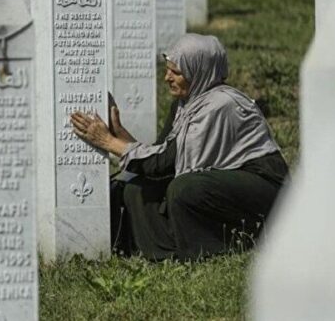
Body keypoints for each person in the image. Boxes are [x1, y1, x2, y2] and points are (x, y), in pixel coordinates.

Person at [70, 34, 289, 261]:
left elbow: (165, 162)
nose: (167, 77)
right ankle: (164, 253)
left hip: (262, 187)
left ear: (198, 71)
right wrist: (119, 134)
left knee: (185, 188)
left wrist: (109, 142)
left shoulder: (221, 106)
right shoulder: (186, 104)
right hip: (222, 179)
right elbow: (160, 156)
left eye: (176, 72)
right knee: (135, 187)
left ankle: (220, 246)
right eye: (168, 70)